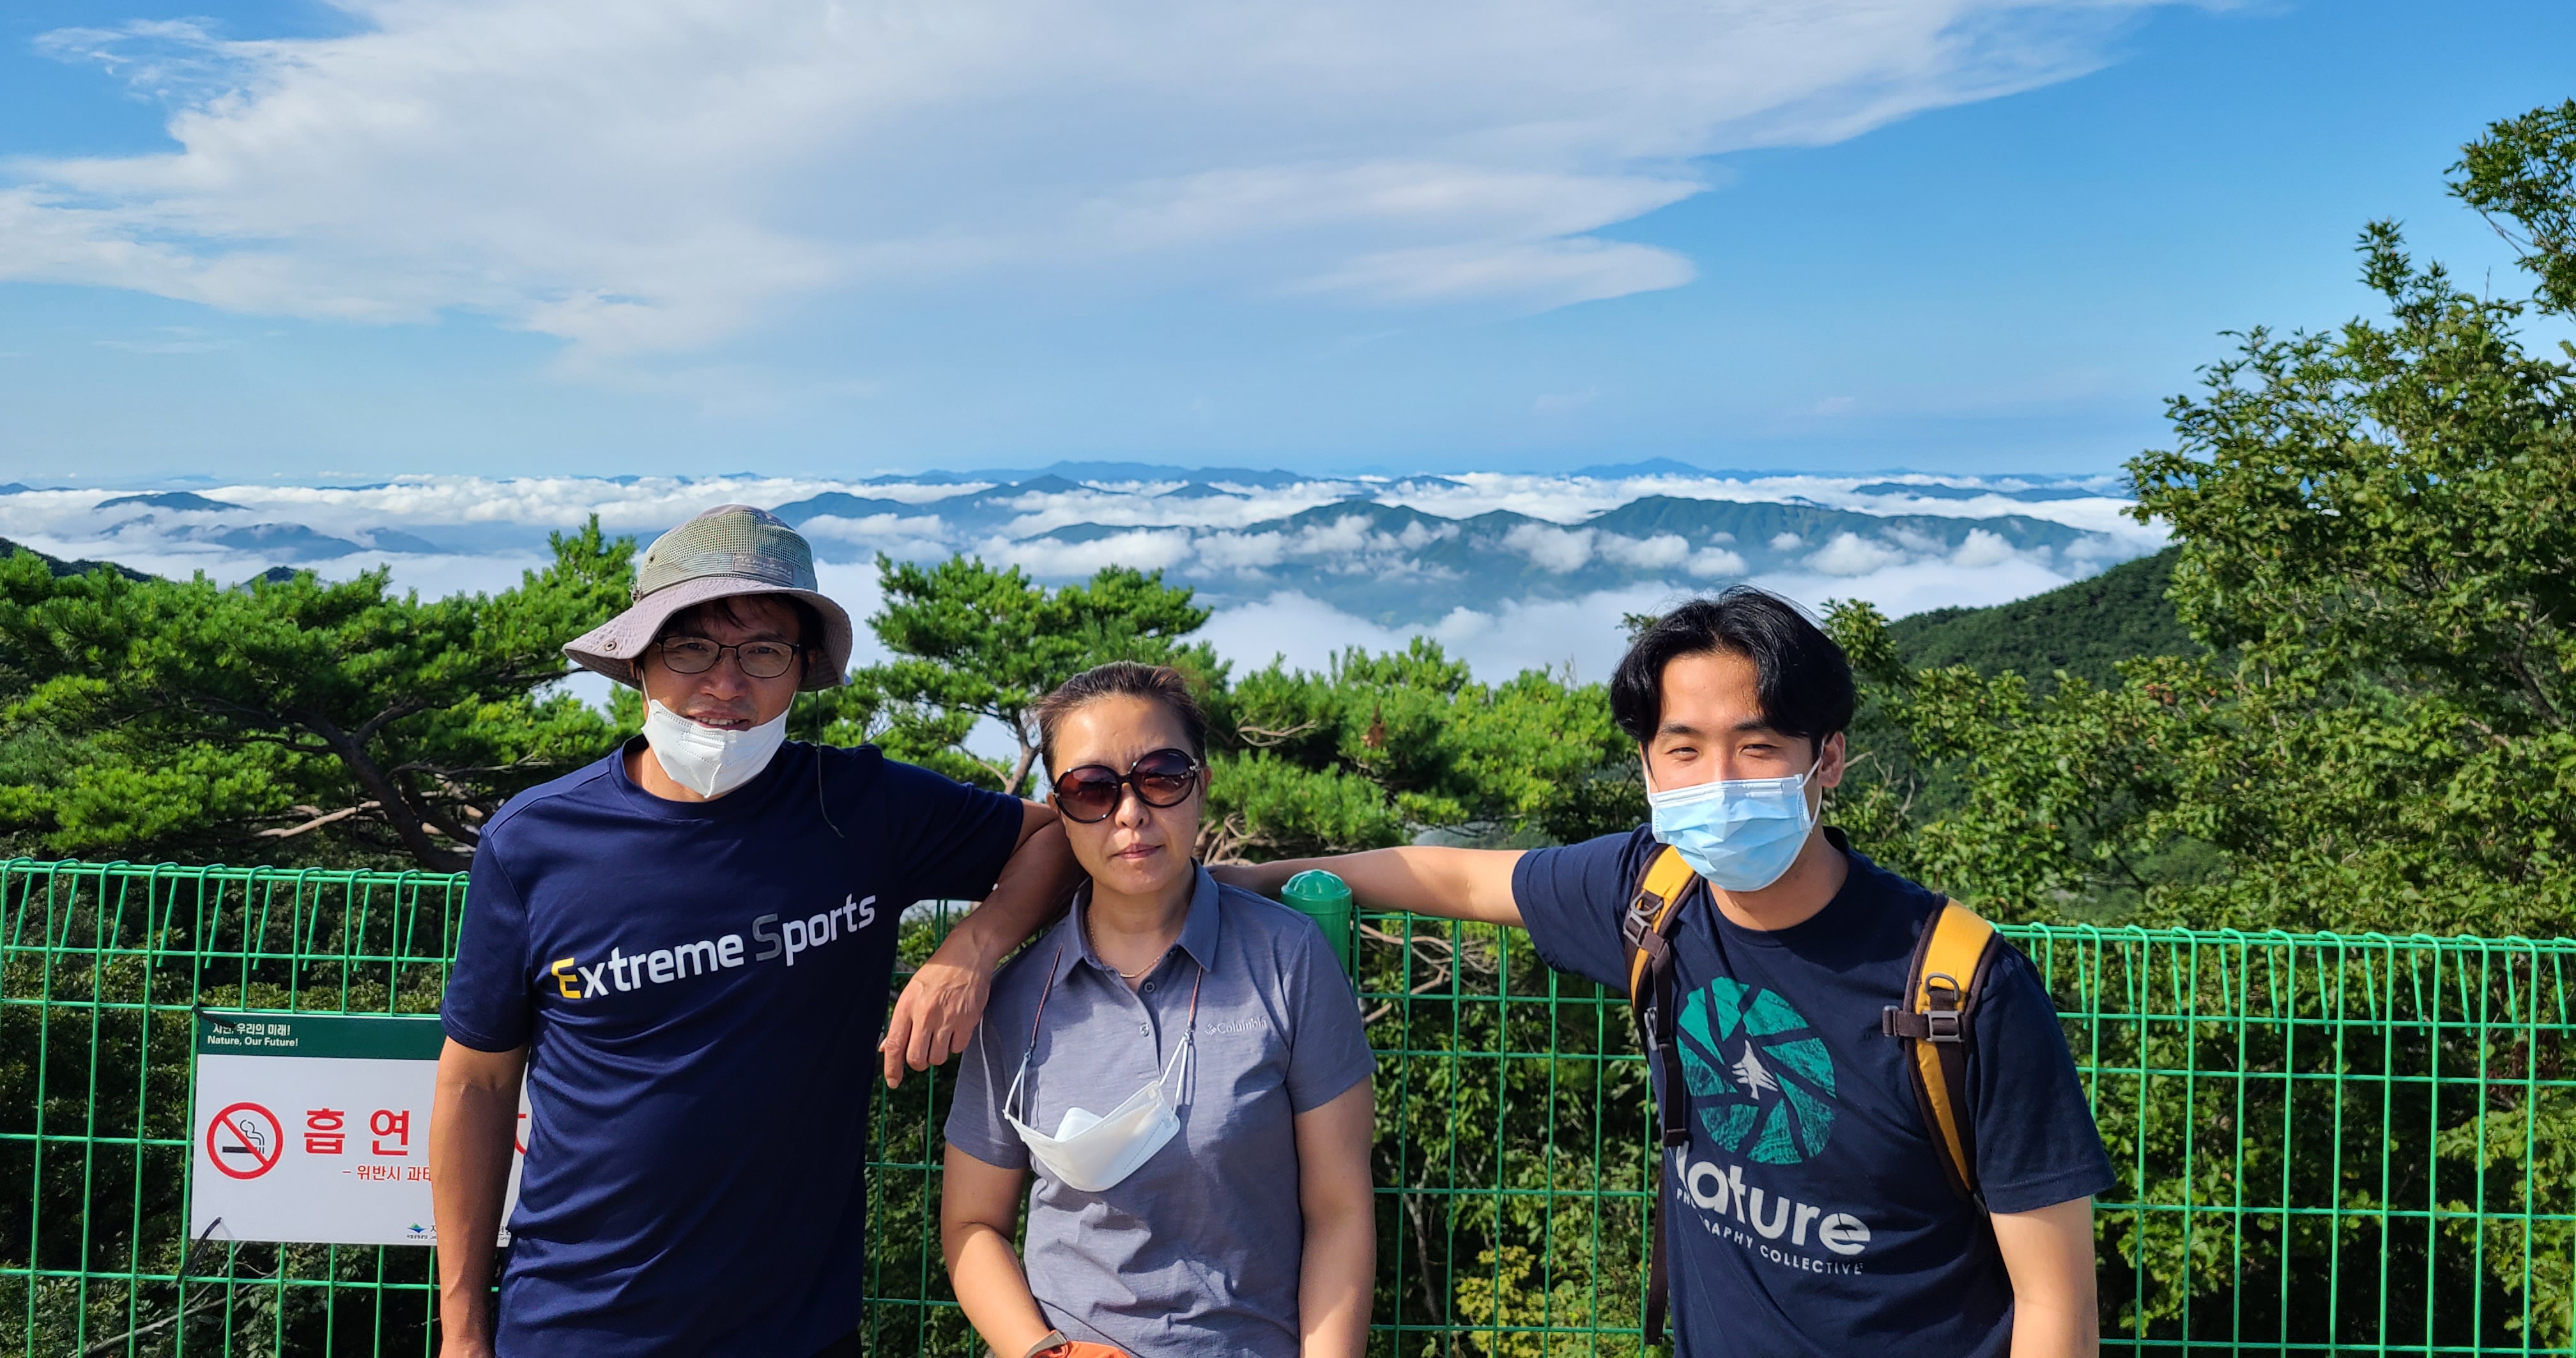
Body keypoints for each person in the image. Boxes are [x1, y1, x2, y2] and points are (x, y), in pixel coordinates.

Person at [1225, 590, 2112, 1358]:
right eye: (1683, 750)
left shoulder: (1961, 988)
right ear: (1648, 766)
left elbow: (2056, 1305)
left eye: (1757, 747)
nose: (1717, 783)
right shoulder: (1653, 893)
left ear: (1829, 759)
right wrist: (1242, 883)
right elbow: (1453, 878)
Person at [427, 505, 1078, 1358]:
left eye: (764, 652)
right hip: (575, 1325)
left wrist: (972, 949)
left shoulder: (861, 807)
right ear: (639, 661)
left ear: (802, 670)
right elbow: (475, 1086)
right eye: (690, 648)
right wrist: (463, 1330)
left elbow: (1056, 839)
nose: (726, 685)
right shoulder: (534, 843)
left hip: (798, 1331)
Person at [940, 662, 1377, 1358]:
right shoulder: (1017, 998)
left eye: (1162, 776)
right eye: (1091, 789)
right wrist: (1044, 1352)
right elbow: (971, 1225)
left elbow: (1340, 1210)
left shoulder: (1288, 959)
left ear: (1201, 785)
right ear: (1059, 810)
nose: (1130, 813)